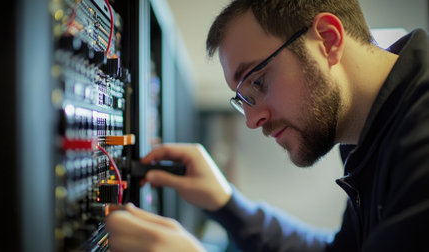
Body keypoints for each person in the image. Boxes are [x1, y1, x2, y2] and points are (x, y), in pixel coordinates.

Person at [105, 0, 429, 251]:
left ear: (328, 40)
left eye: (258, 82)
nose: (251, 120)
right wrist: (226, 203)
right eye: (242, 98)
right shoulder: (370, 136)